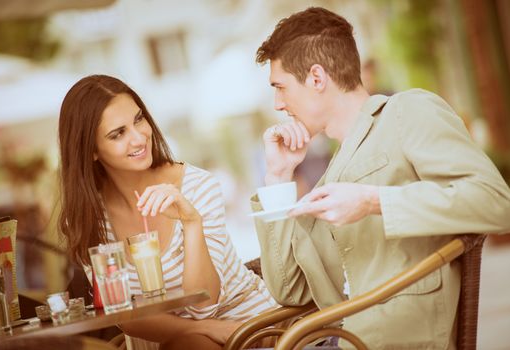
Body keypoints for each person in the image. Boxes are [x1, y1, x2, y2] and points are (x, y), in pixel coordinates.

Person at [251, 6, 510, 349]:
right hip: (343, 338)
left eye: (281, 87)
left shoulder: (407, 111)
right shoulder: (331, 175)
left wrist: (373, 201)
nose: (277, 104)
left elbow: (497, 203)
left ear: (317, 78)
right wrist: (278, 177)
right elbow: (291, 291)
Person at [57, 74, 277, 350]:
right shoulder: (88, 218)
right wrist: (204, 329)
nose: (139, 138)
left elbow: (204, 307)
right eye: (118, 133)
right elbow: (123, 315)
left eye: (139, 119)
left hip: (248, 328)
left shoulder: (196, 186)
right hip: (178, 342)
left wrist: (192, 222)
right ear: (91, 151)